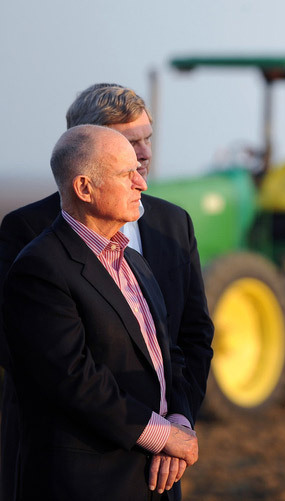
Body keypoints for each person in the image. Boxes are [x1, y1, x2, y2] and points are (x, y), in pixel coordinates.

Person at [0, 84, 213, 499]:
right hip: (81, 467)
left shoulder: (153, 241)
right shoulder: (34, 246)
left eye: (147, 140)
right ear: (85, 168)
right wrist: (154, 433)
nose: (144, 160)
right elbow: (55, 367)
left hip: (157, 472)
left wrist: (179, 423)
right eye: (131, 145)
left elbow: (187, 339)